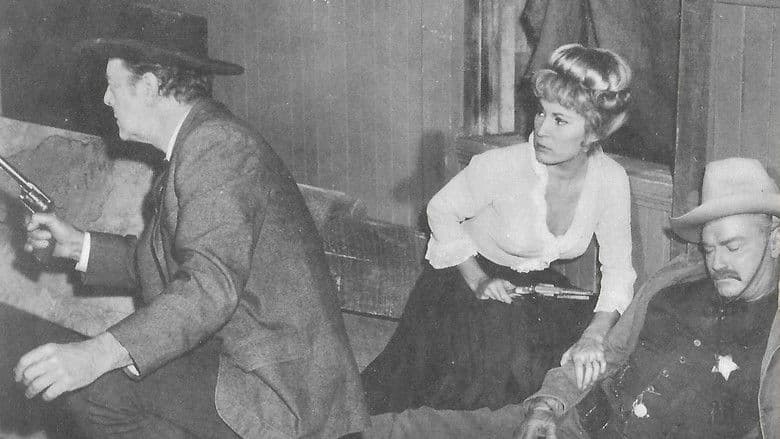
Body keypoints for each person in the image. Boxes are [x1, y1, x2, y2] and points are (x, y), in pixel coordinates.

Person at [13, 26, 369, 439]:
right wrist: (76, 245)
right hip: (240, 364)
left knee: (100, 390)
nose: (106, 98)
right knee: (101, 384)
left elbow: (208, 285)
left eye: (113, 85)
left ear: (149, 87)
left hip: (279, 391)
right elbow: (164, 262)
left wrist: (96, 353)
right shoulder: (196, 143)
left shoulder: (215, 145)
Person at [360, 43, 637, 417]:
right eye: (541, 112)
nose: (541, 128)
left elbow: (619, 271)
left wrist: (594, 335)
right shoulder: (501, 165)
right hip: (465, 284)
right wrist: (478, 280)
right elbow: (440, 210)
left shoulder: (611, 180)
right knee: (490, 373)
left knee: (595, 362)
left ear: (593, 131)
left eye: (560, 120)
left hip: (534, 290)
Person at [518, 157, 780, 439]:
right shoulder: (672, 286)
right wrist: (547, 405)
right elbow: (607, 354)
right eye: (709, 249)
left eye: (733, 247)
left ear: (775, 241)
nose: (716, 263)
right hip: (577, 424)